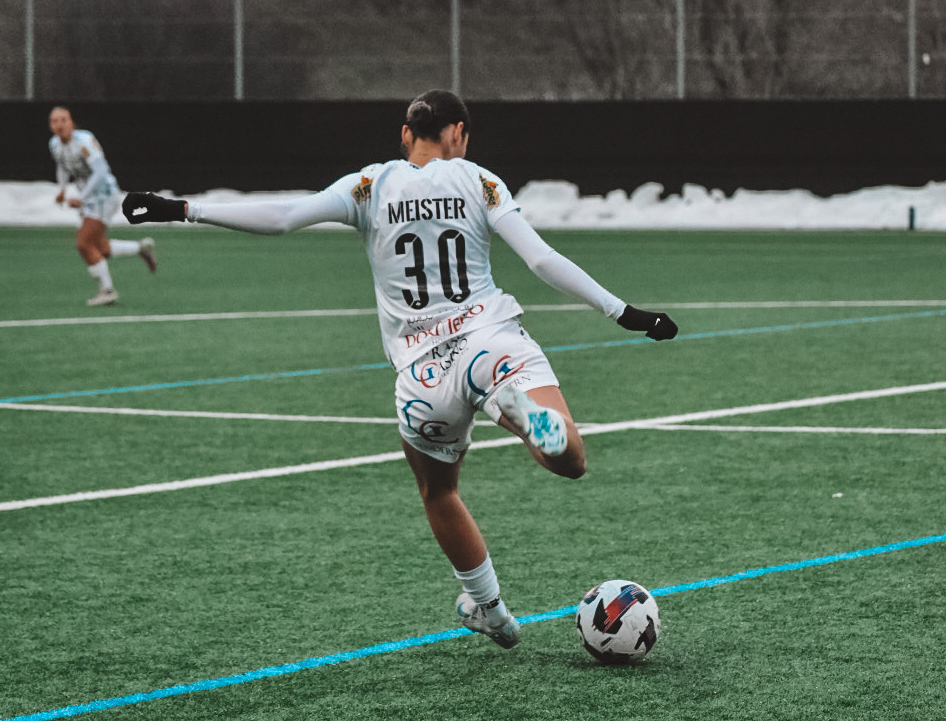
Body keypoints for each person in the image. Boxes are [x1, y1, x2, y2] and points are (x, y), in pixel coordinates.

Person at [122, 89, 677, 649]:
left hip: (422, 374)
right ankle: (532, 422)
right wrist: (622, 311)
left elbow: (284, 217)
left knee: (439, 491)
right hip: (489, 342)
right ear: (458, 133)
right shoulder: (478, 181)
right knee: (571, 460)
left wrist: (183, 209)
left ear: (406, 134)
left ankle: (490, 609)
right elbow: (540, 259)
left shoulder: (370, 185)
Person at [49, 106, 157, 305]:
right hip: (89, 197)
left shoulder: (84, 141)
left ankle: (107, 290)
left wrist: (82, 198)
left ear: (72, 123)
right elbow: (62, 166)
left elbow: (100, 172)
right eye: (55, 121)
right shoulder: (55, 144)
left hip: (104, 195)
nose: (59, 124)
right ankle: (140, 248)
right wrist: (62, 189)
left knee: (84, 243)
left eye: (64, 120)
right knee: (98, 247)